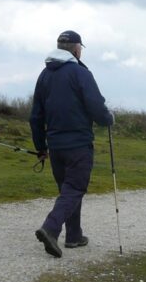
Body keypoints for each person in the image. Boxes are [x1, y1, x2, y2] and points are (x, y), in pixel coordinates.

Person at [29, 30, 114, 258]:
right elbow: (96, 106)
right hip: (78, 143)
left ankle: (74, 235)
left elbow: (36, 116)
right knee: (75, 188)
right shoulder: (80, 73)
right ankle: (51, 228)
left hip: (55, 145)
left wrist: (41, 146)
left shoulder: (44, 75)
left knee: (67, 190)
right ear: (77, 49)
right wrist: (108, 119)